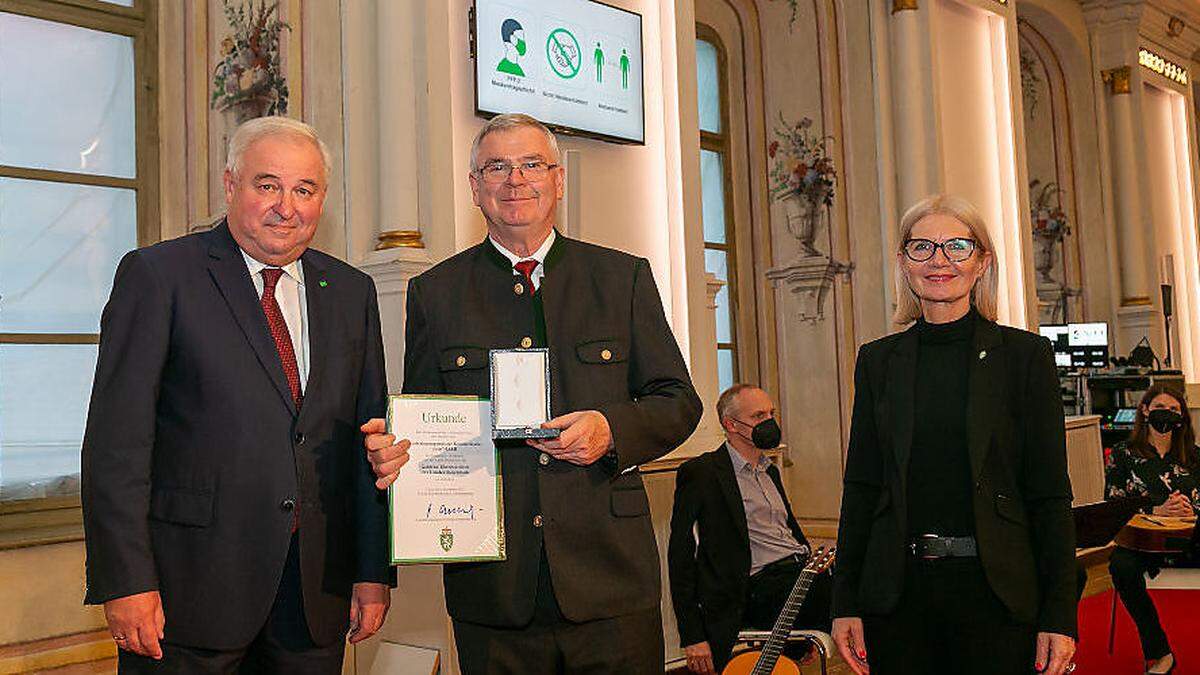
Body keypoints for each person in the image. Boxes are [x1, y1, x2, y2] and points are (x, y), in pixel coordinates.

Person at [362, 113, 702, 674]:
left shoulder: (622, 278)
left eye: (530, 165)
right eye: (496, 167)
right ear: (476, 187)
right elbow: (424, 422)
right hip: (494, 592)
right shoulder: (435, 294)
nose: (515, 180)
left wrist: (611, 430)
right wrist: (394, 454)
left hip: (609, 582)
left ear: (558, 179)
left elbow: (677, 401)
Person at [81, 116, 392, 673]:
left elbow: (368, 441)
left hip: (313, 598)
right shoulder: (159, 275)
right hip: (187, 595)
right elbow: (116, 443)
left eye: (305, 189)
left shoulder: (351, 291)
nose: (286, 206)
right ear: (230, 186)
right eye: (267, 184)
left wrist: (371, 570)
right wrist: (125, 581)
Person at [831, 194, 1078, 675]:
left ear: (982, 261)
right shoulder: (878, 361)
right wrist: (845, 601)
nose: (939, 260)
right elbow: (862, 487)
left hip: (997, 597)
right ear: (904, 262)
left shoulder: (1024, 358)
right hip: (898, 599)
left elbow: (1049, 495)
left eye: (957, 247)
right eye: (922, 247)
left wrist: (1060, 614)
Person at [668, 384, 831, 674]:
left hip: (799, 576)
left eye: (771, 413)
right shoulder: (702, 473)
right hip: (757, 587)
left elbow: (790, 533)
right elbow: (680, 556)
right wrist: (693, 635)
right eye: (758, 416)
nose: (769, 422)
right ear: (731, 424)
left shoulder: (771, 471)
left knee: (869, 582)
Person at [1105, 384, 1199, 674]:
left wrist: (1192, 508)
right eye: (1160, 408)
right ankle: (1160, 653)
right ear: (1145, 411)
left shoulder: (1195, 455)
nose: (1167, 415)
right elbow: (1113, 502)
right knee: (1121, 566)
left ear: (1182, 417)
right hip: (1144, 540)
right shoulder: (1122, 454)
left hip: (1190, 538)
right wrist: (1154, 510)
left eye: (1174, 410)